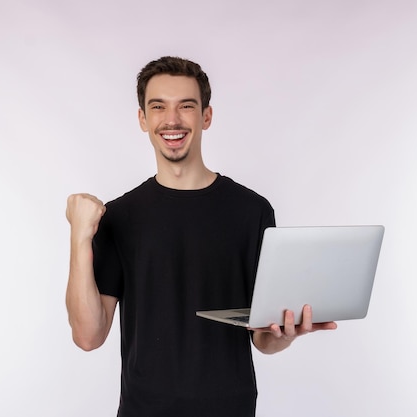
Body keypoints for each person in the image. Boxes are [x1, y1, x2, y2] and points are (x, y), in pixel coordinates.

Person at [65, 56, 337, 417]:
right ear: (143, 119)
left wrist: (284, 333)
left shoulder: (252, 211)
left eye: (186, 107)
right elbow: (88, 336)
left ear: (206, 116)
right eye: (158, 106)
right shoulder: (120, 216)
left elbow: (262, 337)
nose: (172, 120)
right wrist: (80, 238)